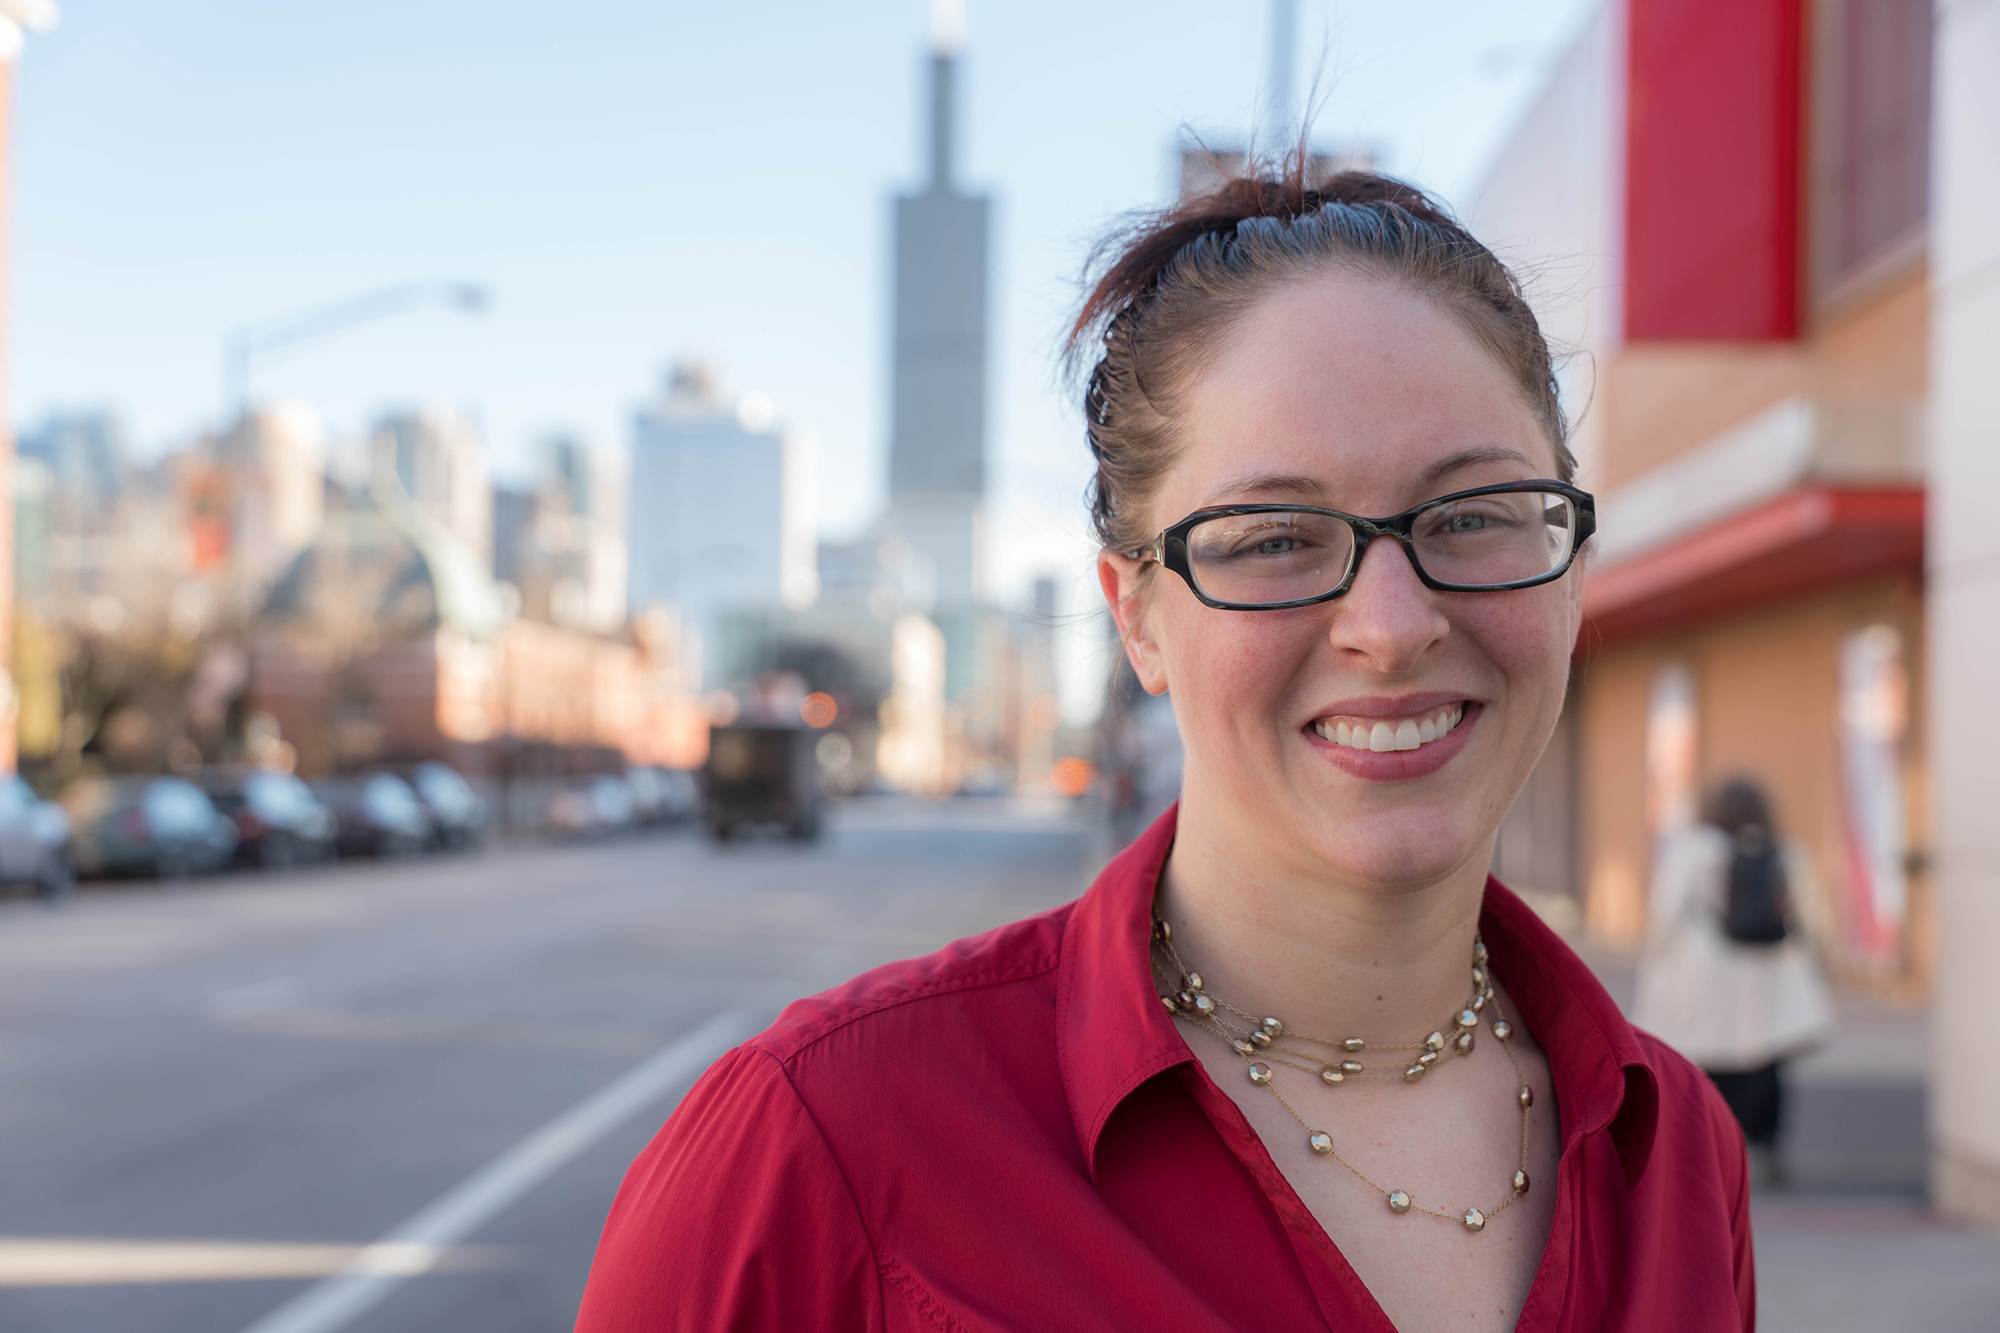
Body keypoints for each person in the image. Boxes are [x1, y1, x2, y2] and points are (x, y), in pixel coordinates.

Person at [576, 163, 1753, 1332]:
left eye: (1470, 517)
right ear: (1136, 614)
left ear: (1571, 572)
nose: (1391, 626)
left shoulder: (1681, 1154)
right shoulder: (821, 1140)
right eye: (1275, 536)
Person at [1633, 776, 1833, 1183]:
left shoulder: (1691, 849)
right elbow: (1812, 916)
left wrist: (1653, 960)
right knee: (1766, 1067)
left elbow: (1664, 914)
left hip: (1703, 976)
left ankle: (1707, 1151)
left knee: (1704, 1070)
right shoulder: (1786, 852)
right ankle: (1766, 1146)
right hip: (1769, 976)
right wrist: (1824, 961)